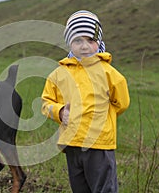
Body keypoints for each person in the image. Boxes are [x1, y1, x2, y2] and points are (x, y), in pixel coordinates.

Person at [41, 10, 130, 193]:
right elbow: (45, 103)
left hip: (99, 144)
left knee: (103, 188)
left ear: (99, 42)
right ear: (69, 43)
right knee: (80, 188)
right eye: (77, 41)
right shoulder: (58, 75)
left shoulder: (109, 74)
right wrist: (58, 112)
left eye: (90, 40)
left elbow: (121, 103)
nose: (84, 46)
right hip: (72, 144)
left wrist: (101, 117)